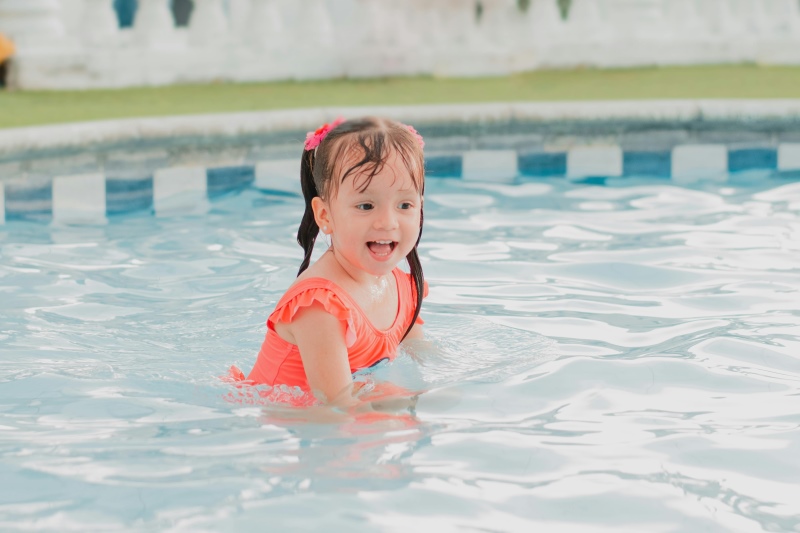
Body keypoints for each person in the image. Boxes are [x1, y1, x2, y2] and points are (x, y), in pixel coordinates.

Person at [230, 117, 428, 408]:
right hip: (283, 418)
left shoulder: (403, 287)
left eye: (405, 205)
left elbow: (422, 355)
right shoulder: (320, 307)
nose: (388, 222)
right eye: (366, 205)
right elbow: (336, 407)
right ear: (324, 215)